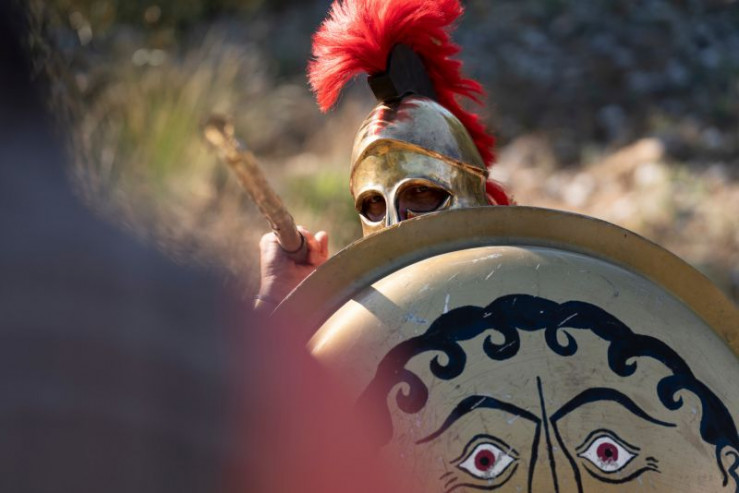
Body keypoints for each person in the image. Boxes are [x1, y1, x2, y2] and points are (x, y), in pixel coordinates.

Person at [255, 0, 512, 313]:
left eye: (419, 191)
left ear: (470, 189)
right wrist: (280, 295)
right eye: (374, 203)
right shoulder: (358, 323)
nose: (394, 226)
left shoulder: (533, 287)